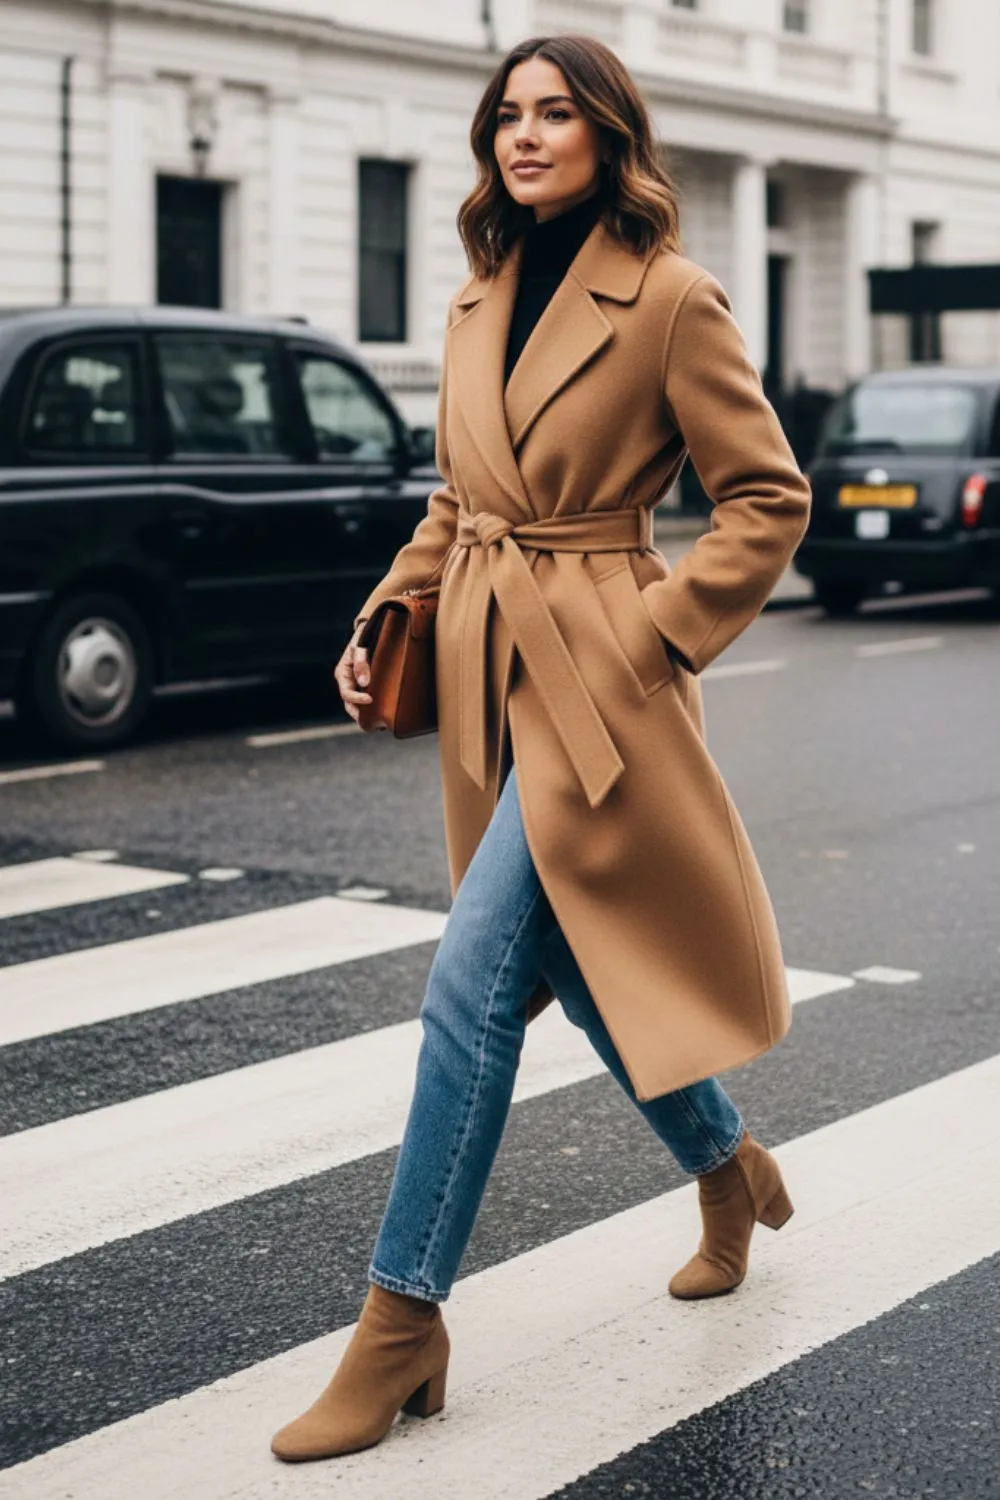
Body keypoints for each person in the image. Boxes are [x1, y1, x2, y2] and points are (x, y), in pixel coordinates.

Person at [271, 32, 811, 1463]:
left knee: (468, 985)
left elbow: (766, 497)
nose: (523, 134)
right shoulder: (475, 299)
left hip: (599, 686)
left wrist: (656, 635)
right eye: (505, 114)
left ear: (608, 133)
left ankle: (400, 1324)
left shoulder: (672, 299)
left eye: (555, 112)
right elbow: (462, 505)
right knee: (571, 970)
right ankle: (728, 1165)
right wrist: (390, 605)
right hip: (490, 671)